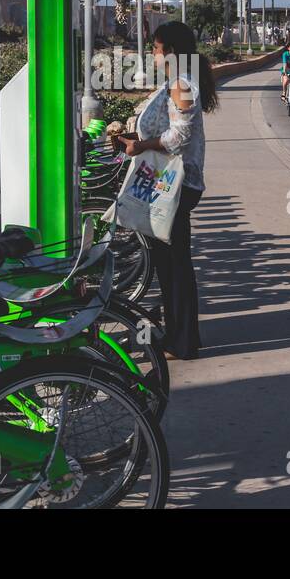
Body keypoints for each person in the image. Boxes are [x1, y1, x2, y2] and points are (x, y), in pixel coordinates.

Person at [116, 21, 216, 360]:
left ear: (171, 51)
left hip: (176, 184)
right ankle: (180, 336)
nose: (153, 55)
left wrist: (141, 145)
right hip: (171, 183)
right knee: (170, 263)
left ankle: (183, 341)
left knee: (175, 265)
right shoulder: (177, 83)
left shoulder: (181, 85)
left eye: (156, 49)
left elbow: (179, 137)